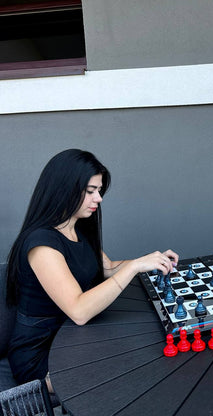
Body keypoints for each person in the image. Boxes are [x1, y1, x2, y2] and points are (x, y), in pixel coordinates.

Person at [6, 149, 179, 390]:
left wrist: (150, 260)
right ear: (64, 189)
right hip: (41, 355)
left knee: (143, 350)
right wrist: (135, 268)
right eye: (90, 192)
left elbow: (107, 268)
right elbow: (78, 310)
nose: (99, 198)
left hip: (74, 338)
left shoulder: (76, 228)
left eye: (99, 191)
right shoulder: (41, 244)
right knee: (124, 373)